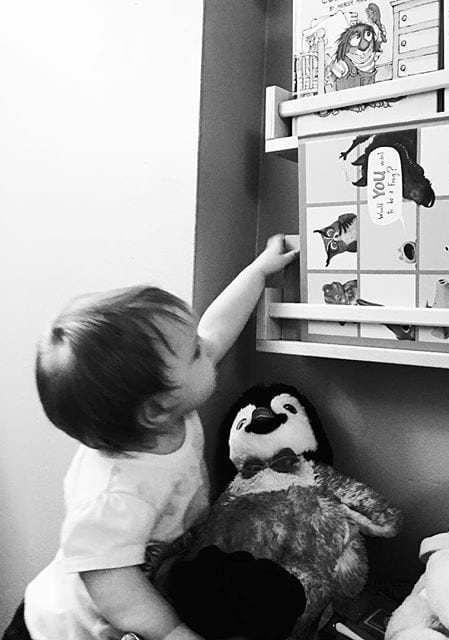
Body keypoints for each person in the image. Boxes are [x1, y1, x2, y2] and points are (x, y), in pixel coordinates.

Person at [4, 236, 303, 640]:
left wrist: (258, 271)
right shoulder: (116, 494)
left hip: (148, 580)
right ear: (157, 409)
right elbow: (115, 589)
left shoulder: (167, 409)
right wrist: (174, 633)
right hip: (63, 628)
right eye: (195, 352)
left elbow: (216, 328)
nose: (206, 347)